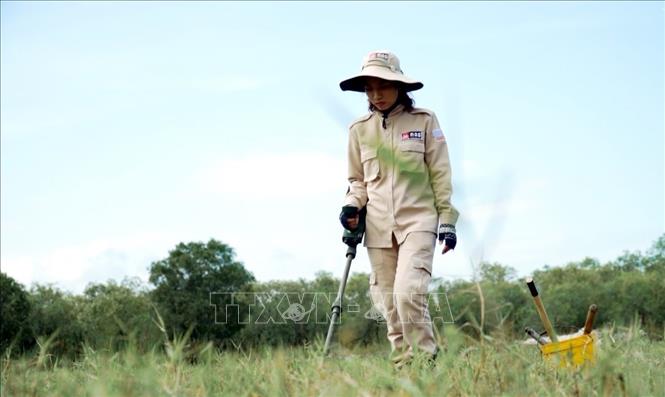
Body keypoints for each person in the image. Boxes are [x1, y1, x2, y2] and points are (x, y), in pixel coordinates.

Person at [338, 50, 459, 368]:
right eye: (369, 88)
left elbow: (441, 173)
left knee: (409, 294)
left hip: (418, 221)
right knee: (389, 305)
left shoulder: (425, 121)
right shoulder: (358, 130)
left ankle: (427, 361)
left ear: (399, 85)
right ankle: (405, 370)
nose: (376, 95)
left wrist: (447, 220)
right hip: (377, 228)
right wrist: (351, 207)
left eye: (383, 86)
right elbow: (357, 181)